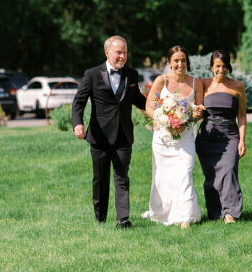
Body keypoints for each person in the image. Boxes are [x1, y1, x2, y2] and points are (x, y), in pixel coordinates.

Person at [71, 35, 148, 228]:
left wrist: (160, 111)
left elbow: (137, 99)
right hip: (99, 136)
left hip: (123, 135)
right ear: (107, 52)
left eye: (125, 52)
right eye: (118, 52)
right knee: (100, 179)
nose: (122, 56)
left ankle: (122, 219)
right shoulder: (92, 74)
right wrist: (77, 124)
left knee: (122, 177)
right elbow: (79, 101)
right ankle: (100, 218)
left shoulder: (131, 74)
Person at [142, 45, 204, 228]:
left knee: (185, 173)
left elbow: (199, 110)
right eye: (176, 60)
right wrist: (164, 120)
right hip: (163, 139)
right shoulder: (161, 82)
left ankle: (186, 216)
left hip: (185, 137)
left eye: (183, 60)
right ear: (169, 62)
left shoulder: (195, 83)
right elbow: (150, 106)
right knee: (163, 177)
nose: (180, 64)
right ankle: (162, 213)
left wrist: (188, 119)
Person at [196, 50, 247, 224]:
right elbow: (195, 108)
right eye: (217, 66)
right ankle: (215, 211)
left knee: (229, 170)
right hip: (207, 136)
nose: (221, 69)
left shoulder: (238, 86)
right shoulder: (203, 84)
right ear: (211, 67)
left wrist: (242, 140)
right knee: (212, 176)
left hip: (230, 136)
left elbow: (241, 115)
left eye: (224, 66)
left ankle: (230, 212)